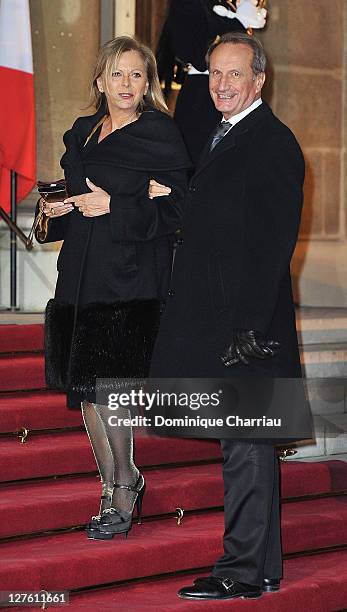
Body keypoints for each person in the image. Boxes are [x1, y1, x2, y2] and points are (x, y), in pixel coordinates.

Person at [150, 32, 305, 599]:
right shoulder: (221, 135)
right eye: (213, 73)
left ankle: (239, 572)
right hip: (223, 318)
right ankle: (260, 567)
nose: (220, 84)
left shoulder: (272, 142)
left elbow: (273, 242)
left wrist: (248, 325)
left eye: (234, 74)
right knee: (248, 445)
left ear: (258, 80)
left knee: (245, 447)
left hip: (246, 325)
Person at [37, 36, 190, 540]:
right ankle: (113, 484)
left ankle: (123, 488)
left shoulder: (160, 135)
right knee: (87, 390)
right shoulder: (82, 133)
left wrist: (117, 206)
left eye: (137, 75)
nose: (126, 84)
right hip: (80, 272)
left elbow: (179, 211)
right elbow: (79, 197)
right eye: (117, 74)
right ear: (100, 81)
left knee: (112, 389)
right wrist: (60, 210)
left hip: (130, 276)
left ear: (148, 85)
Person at [156, 0, 267, 165]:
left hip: (233, 95)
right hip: (201, 96)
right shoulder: (188, 4)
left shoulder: (223, 4)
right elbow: (196, 54)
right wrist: (238, 23)